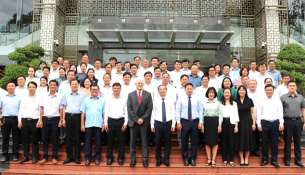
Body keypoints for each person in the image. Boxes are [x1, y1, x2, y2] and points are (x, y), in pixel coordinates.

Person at [127, 79, 153, 167]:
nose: (140, 84)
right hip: (133, 123)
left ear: (144, 84)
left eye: (142, 83)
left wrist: (142, 119)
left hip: (144, 123)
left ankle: (145, 159)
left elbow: (149, 108)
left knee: (144, 142)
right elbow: (129, 109)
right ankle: (133, 159)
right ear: (135, 84)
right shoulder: (130, 94)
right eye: (139, 83)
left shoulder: (148, 94)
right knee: (132, 142)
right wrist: (136, 119)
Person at [176, 83, 203, 166]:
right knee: (184, 140)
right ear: (185, 89)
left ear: (193, 89)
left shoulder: (197, 99)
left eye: (191, 88)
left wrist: (201, 121)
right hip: (184, 122)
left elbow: (200, 110)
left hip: (195, 121)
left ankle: (193, 158)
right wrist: (178, 122)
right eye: (187, 88)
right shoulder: (181, 99)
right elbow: (177, 111)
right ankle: (185, 158)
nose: (189, 90)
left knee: (194, 141)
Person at [257, 84, 284, 167]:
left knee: (274, 143)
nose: (269, 91)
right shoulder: (261, 100)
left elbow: (280, 112)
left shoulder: (277, 100)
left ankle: (274, 160)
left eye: (270, 90)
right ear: (265, 91)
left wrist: (281, 123)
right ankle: (264, 160)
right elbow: (258, 113)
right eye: (267, 90)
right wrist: (258, 124)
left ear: (273, 91)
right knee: (264, 142)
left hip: (275, 123)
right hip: (264, 123)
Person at [38, 80, 63, 165]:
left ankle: (54, 157)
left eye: (54, 85)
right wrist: (40, 120)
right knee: (44, 139)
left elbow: (61, 109)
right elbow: (41, 108)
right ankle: (45, 157)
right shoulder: (44, 96)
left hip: (55, 119)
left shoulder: (60, 96)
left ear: (57, 87)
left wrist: (61, 119)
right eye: (51, 85)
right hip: (45, 119)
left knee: (55, 139)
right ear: (49, 86)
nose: (52, 86)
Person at [280, 81, 305, 167]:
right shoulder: (283, 98)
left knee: (297, 141)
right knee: (287, 141)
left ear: (296, 87)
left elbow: (303, 110)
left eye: (293, 86)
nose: (292, 87)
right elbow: (280, 111)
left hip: (298, 121)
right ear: (287, 87)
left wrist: (304, 122)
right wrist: (281, 123)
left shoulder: (301, 97)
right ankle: (287, 160)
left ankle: (298, 160)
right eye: (290, 86)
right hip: (287, 121)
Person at [62, 79, 86, 165]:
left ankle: (76, 157)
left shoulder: (83, 95)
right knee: (68, 138)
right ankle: (69, 157)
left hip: (78, 117)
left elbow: (84, 109)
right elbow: (64, 107)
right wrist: (63, 119)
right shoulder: (66, 94)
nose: (74, 86)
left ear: (78, 85)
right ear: (70, 85)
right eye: (73, 84)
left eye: (76, 84)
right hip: (68, 116)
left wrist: (82, 121)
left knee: (77, 138)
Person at [103, 83, 128, 166]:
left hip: (121, 121)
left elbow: (126, 111)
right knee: (110, 140)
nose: (116, 89)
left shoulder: (124, 98)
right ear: (112, 89)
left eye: (118, 88)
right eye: (115, 88)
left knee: (121, 141)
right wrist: (105, 123)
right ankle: (110, 157)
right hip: (110, 121)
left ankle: (120, 158)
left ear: (120, 89)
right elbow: (106, 111)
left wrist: (125, 123)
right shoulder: (109, 99)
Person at [151, 85, 176, 167]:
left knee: (167, 143)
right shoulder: (154, 101)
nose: (162, 90)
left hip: (168, 123)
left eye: (163, 89)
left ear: (166, 90)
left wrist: (173, 124)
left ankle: (166, 159)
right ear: (158, 91)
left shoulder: (170, 100)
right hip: (158, 123)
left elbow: (173, 113)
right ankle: (158, 159)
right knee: (157, 142)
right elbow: (152, 113)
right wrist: (152, 124)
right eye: (160, 89)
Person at [81, 84, 105, 165]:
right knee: (88, 142)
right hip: (88, 124)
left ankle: (97, 158)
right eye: (93, 89)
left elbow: (104, 113)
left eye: (96, 89)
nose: (94, 90)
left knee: (98, 143)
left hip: (98, 124)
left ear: (98, 91)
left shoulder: (102, 101)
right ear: (90, 90)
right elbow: (83, 113)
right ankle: (88, 158)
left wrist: (104, 123)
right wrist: (82, 124)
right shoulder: (85, 100)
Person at [18, 81, 41, 163]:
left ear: (36, 88)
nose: (31, 88)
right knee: (25, 140)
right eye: (30, 87)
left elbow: (40, 110)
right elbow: (21, 109)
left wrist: (39, 121)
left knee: (35, 140)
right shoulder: (24, 98)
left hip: (34, 121)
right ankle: (26, 156)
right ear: (27, 88)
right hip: (24, 120)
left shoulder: (39, 98)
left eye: (33, 87)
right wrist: (19, 120)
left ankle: (35, 157)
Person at [0, 82, 22, 163]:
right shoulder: (2, 97)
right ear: (7, 87)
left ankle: (15, 154)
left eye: (13, 86)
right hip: (5, 118)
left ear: (15, 87)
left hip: (16, 119)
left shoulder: (19, 97)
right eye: (9, 86)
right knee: (5, 137)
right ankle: (5, 155)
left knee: (16, 137)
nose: (11, 87)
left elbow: (21, 109)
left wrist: (20, 120)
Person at [235, 85, 256, 166]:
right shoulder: (235, 101)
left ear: (245, 91)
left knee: (247, 140)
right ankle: (241, 158)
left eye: (243, 90)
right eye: (240, 90)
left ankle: (246, 158)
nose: (241, 91)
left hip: (248, 122)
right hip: (238, 123)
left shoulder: (249, 100)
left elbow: (252, 112)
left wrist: (254, 123)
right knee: (240, 140)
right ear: (238, 91)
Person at [202, 87, 222, 168]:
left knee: (214, 142)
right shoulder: (204, 103)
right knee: (207, 141)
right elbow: (201, 114)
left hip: (215, 122)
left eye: (213, 93)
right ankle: (209, 159)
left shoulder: (218, 103)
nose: (211, 94)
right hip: (206, 122)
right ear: (207, 94)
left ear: (215, 94)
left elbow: (220, 115)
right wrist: (202, 125)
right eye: (210, 93)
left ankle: (213, 159)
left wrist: (219, 125)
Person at [220, 88, 239, 167]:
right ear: (223, 94)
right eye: (225, 92)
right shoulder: (220, 103)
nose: (227, 94)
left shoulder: (234, 103)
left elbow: (236, 115)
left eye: (228, 93)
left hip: (231, 123)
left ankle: (231, 160)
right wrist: (219, 125)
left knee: (232, 142)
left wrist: (236, 125)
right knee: (223, 141)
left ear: (231, 94)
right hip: (223, 122)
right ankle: (224, 160)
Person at [247, 79, 261, 157]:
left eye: (254, 84)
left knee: (256, 134)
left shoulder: (260, 93)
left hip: (257, 116)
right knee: (248, 134)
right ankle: (248, 149)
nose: (252, 85)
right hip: (247, 116)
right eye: (251, 84)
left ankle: (255, 150)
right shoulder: (245, 93)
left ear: (256, 85)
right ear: (248, 85)